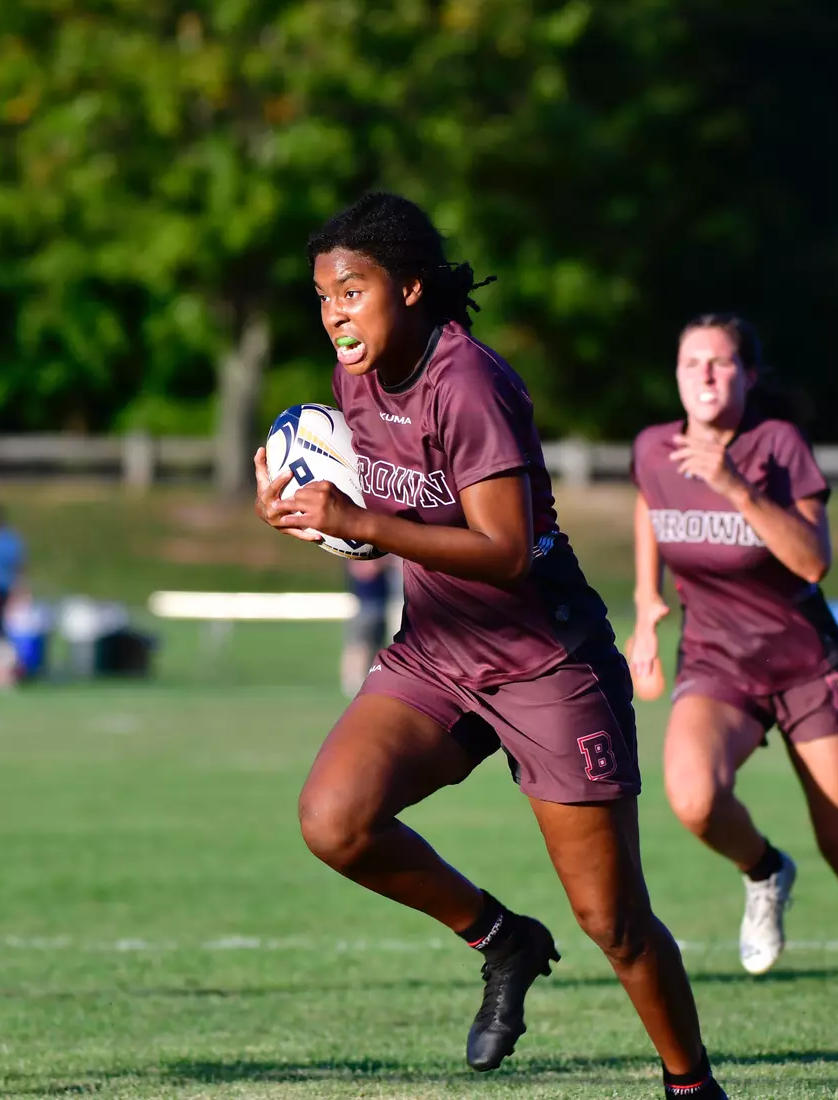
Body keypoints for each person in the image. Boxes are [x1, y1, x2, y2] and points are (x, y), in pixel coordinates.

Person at [255, 193, 731, 1099]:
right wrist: (304, 515)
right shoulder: (356, 378)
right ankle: (502, 937)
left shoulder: (467, 382)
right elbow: (382, 511)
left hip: (545, 664)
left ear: (410, 286)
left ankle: (691, 1087)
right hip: (437, 653)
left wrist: (357, 520)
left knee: (614, 920)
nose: (334, 315)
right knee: (335, 821)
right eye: (322, 297)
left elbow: (505, 549)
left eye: (351, 292)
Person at [627, 314, 838, 1022]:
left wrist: (737, 487)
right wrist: (646, 606)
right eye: (691, 362)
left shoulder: (778, 447)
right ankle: (765, 871)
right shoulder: (652, 448)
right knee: (694, 799)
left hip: (803, 663)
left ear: (749, 375)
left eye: (722, 362)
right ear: (676, 375)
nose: (705, 374)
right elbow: (650, 504)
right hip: (716, 660)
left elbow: (812, 560)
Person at [340, 556, 399, 695]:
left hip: (382, 606)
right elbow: (367, 570)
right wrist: (385, 562)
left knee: (377, 646)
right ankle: (353, 682)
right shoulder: (360, 553)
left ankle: (373, 680)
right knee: (360, 645)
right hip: (366, 606)